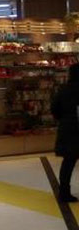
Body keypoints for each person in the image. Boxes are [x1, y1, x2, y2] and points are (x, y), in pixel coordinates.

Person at [51, 63, 79, 202]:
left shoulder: (63, 90)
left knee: (68, 162)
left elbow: (54, 109)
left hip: (68, 130)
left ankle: (64, 192)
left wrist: (64, 119)